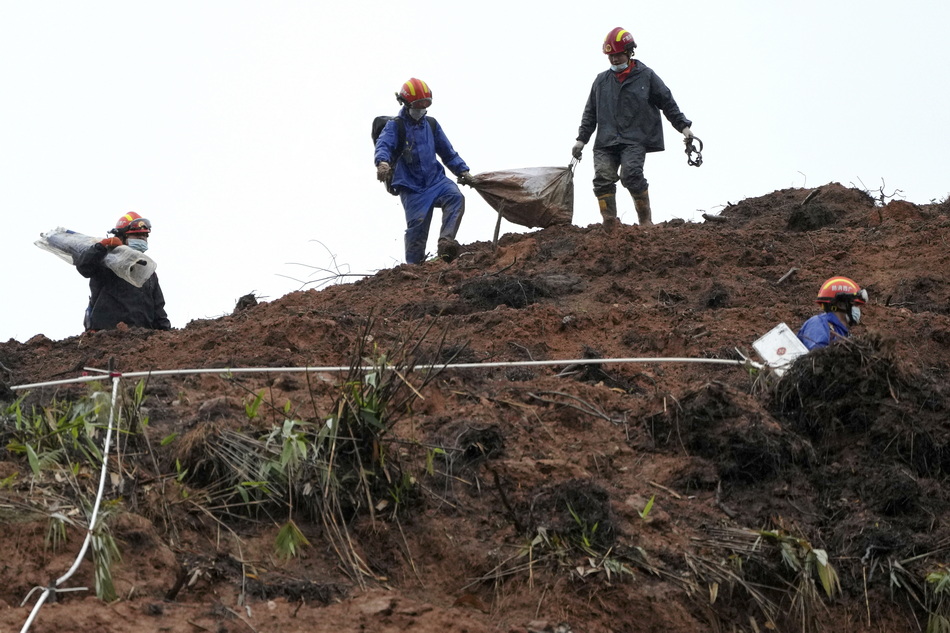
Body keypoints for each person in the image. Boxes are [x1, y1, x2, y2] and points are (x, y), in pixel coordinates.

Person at [572, 27, 694, 228]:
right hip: (605, 141)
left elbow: (667, 102)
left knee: (631, 175)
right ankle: (610, 224)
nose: (614, 60)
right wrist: (581, 139)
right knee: (602, 179)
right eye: (610, 56)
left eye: (618, 55)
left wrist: (684, 127)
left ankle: (645, 222)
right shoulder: (600, 81)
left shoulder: (646, 76)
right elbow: (590, 113)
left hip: (634, 140)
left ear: (629, 52)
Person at [374, 77, 475, 264]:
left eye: (424, 105)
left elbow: (448, 152)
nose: (420, 110)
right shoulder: (395, 126)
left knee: (456, 197)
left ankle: (446, 243)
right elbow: (384, 145)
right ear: (405, 104)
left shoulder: (431, 124)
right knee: (417, 231)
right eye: (417, 105)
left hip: (436, 181)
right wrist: (382, 163)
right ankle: (415, 269)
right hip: (412, 188)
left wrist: (463, 171)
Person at [76, 212, 171, 332]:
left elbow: (158, 309)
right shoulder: (107, 263)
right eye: (136, 235)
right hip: (107, 337)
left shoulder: (148, 273)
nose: (142, 239)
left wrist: (167, 335)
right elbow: (84, 266)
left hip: (141, 341)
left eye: (145, 236)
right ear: (121, 237)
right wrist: (102, 246)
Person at [797, 276, 868, 350]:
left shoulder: (842, 332)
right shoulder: (818, 324)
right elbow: (816, 357)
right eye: (855, 304)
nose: (858, 309)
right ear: (840, 304)